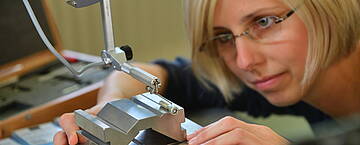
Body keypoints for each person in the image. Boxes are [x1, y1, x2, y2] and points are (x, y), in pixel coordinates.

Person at [54, 0, 360, 144]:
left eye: (264, 22)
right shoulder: (283, 73)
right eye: (224, 37)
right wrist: (110, 110)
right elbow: (152, 74)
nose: (244, 62)